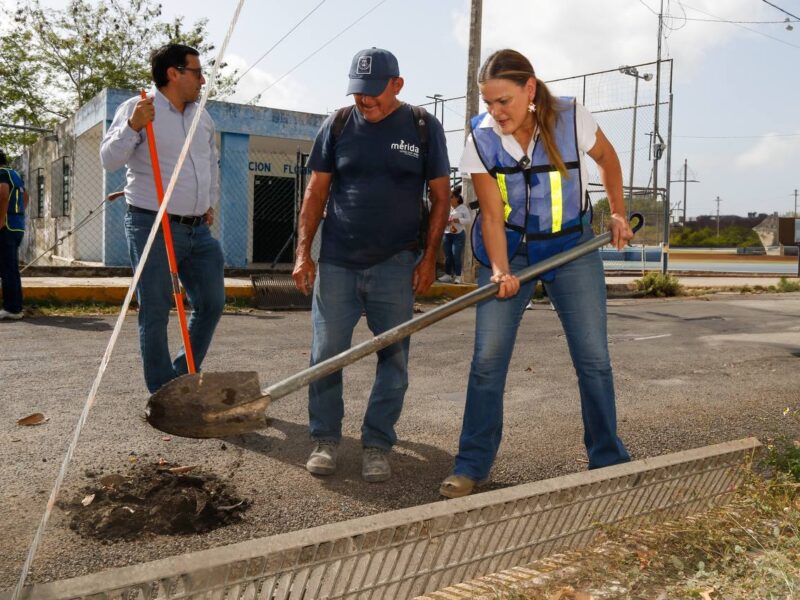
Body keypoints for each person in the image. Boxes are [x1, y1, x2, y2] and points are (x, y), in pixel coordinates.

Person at [440, 49, 634, 498]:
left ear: (530, 90)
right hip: (512, 251)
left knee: (593, 360)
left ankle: (607, 458)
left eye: (503, 101)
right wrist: (502, 272)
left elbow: (608, 160)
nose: (495, 112)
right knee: (487, 362)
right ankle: (471, 465)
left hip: (573, 247)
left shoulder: (570, 116)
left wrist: (619, 213)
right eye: (488, 102)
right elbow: (490, 215)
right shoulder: (481, 137)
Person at [293, 47, 451, 482]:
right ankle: (325, 439)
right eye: (359, 92)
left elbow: (440, 198)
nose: (366, 101)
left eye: (374, 93)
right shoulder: (337, 125)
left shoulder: (422, 126)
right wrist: (304, 253)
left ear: (397, 84)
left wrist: (429, 258)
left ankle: (377, 443)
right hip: (339, 261)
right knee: (325, 355)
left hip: (396, 263)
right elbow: (315, 193)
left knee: (394, 359)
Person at [100, 43, 224, 394]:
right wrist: (132, 126)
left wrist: (208, 201)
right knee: (155, 308)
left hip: (198, 229)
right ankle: (161, 391)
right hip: (152, 223)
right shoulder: (140, 108)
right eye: (197, 72)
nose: (202, 80)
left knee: (212, 302)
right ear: (174, 73)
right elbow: (109, 159)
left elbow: (211, 163)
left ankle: (181, 374)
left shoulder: (204, 116)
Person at [0, 150, 29, 320]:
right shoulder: (14, 174)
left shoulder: (2, 174)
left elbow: (3, 195)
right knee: (9, 267)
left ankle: (13, 308)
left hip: (7, 227)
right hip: (16, 226)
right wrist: (17, 214)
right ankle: (14, 305)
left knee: (8, 268)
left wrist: (2, 219)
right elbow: (25, 196)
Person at [437, 185, 472, 284]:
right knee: (448, 255)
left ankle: (458, 276)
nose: (449, 199)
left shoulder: (463, 208)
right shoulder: (447, 208)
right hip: (447, 234)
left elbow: (468, 220)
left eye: (451, 197)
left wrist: (458, 220)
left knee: (456, 254)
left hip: (458, 235)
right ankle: (448, 274)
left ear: (457, 198)